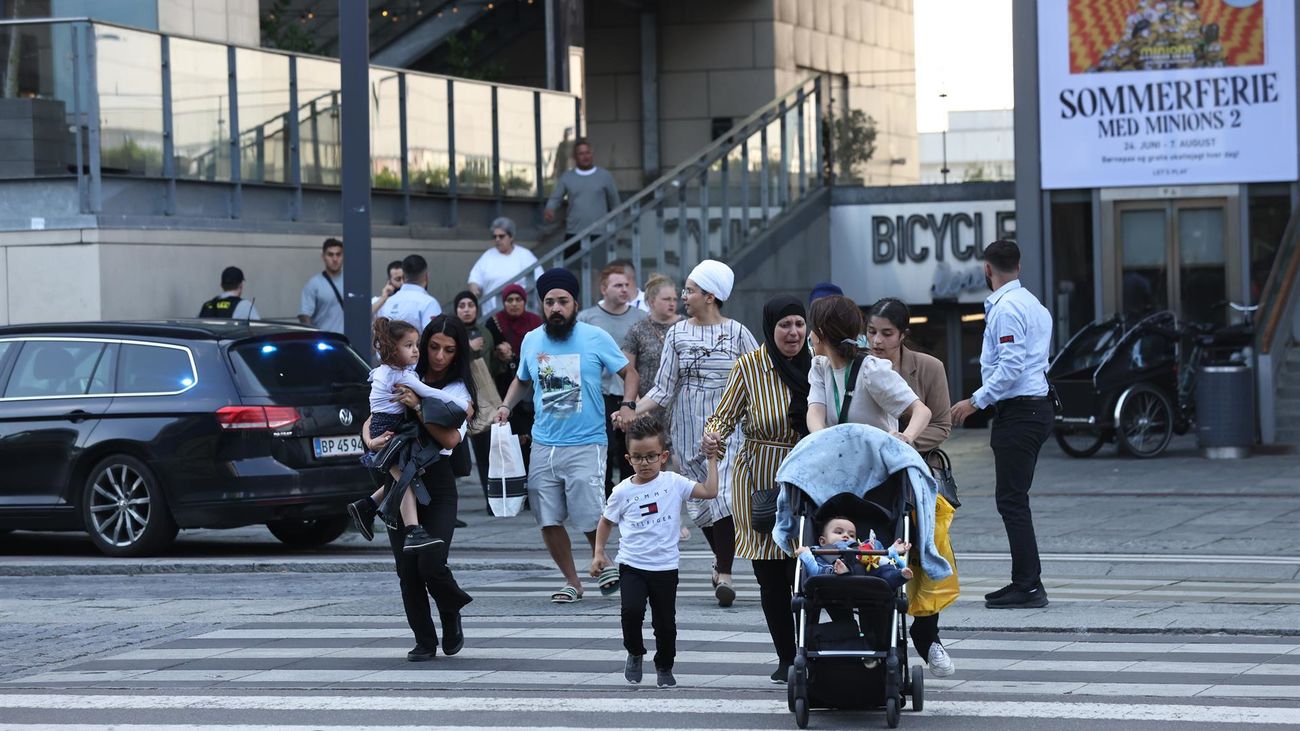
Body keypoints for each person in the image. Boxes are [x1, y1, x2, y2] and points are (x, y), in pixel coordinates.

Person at [493, 268, 638, 604]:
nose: (556, 308)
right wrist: (505, 406)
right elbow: (522, 380)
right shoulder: (532, 340)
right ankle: (573, 581)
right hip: (544, 444)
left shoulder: (594, 337)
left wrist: (629, 404)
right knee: (547, 517)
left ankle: (601, 560)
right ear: (542, 305)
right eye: (549, 302)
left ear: (575, 304)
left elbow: (628, 372)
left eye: (563, 301)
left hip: (587, 442)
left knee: (589, 513)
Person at [620, 260, 757, 608]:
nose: (684, 296)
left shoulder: (739, 333)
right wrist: (634, 409)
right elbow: (664, 388)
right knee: (699, 503)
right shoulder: (678, 335)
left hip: (730, 425)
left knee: (724, 495)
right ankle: (719, 561)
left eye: (691, 290)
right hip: (685, 425)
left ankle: (724, 572)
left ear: (711, 296)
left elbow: (756, 381)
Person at [701, 294, 811, 683]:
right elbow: (722, 416)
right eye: (785, 325)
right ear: (771, 328)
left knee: (808, 571)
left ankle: (815, 651)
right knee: (771, 575)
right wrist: (712, 438)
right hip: (763, 481)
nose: (793, 332)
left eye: (799, 324)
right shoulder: (750, 366)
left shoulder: (820, 362)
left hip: (812, 481)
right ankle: (786, 657)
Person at [359, 316, 477, 661]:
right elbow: (372, 417)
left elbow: (451, 439)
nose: (439, 356)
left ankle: (450, 608)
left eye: (449, 350)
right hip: (397, 479)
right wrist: (370, 440)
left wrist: (419, 407)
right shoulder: (402, 371)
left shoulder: (457, 390)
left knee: (431, 562)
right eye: (433, 347)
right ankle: (424, 641)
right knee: (407, 568)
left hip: (436, 480)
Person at [950, 239, 1054, 610]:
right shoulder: (1034, 306)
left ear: (987, 270)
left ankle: (1028, 585)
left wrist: (974, 402)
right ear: (1019, 266)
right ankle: (1026, 582)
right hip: (1033, 409)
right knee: (1014, 499)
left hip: (1020, 413)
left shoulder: (1007, 309)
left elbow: (1010, 367)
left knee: (1011, 500)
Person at [590, 415, 719, 689]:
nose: (645, 463)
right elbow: (606, 521)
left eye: (651, 456)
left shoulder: (674, 482)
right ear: (628, 459)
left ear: (663, 456)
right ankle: (635, 652)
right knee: (631, 612)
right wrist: (599, 552)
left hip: (665, 568)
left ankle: (665, 666)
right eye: (638, 457)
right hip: (632, 565)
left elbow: (709, 491)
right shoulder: (622, 491)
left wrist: (712, 459)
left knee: (665, 624)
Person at [866, 296, 958, 677]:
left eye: (887, 333)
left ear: (904, 335)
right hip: (871, 477)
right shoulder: (861, 367)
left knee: (929, 552)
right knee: (874, 555)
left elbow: (941, 424)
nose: (877, 341)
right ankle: (874, 638)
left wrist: (902, 442)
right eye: (871, 331)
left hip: (918, 472)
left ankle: (928, 636)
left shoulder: (929, 368)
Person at [347, 317, 468, 552]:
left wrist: (371, 439)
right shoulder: (402, 376)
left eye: (416, 345)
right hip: (390, 433)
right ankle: (412, 529)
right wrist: (462, 405)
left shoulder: (386, 372)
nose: (416, 351)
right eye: (410, 346)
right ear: (394, 349)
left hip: (387, 431)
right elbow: (429, 392)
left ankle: (367, 506)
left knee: (407, 474)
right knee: (406, 479)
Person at [804, 295, 932, 444]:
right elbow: (815, 413)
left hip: (877, 462)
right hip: (841, 461)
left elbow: (921, 411)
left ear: (819, 333)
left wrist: (906, 437)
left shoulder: (871, 370)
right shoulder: (820, 367)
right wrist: (824, 441)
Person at [579, 263, 648, 494]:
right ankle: (605, 494)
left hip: (631, 391)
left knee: (630, 446)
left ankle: (630, 492)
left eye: (627, 285)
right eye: (617, 285)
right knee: (605, 445)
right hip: (600, 391)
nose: (624, 289)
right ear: (603, 288)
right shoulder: (587, 317)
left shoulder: (640, 317)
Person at [483, 283, 543, 462]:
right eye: (510, 300)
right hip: (504, 384)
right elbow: (487, 354)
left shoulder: (535, 322)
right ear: (504, 302)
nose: (514, 304)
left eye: (518, 299)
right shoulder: (494, 322)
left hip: (532, 383)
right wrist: (498, 354)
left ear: (524, 301)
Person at [544, 138, 620, 257]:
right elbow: (555, 198)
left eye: (587, 153)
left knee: (599, 270)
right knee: (573, 270)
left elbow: (615, 203)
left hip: (599, 232)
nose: (585, 157)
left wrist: (616, 227)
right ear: (575, 157)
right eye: (581, 154)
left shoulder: (605, 176)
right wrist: (550, 209)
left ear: (592, 154)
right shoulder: (567, 177)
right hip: (574, 232)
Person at [454, 290, 496, 496]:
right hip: (456, 396)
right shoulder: (451, 332)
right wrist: (468, 348)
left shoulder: (485, 332)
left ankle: (491, 499)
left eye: (470, 305)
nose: (466, 309)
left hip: (482, 398)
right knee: (454, 453)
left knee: (485, 452)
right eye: (462, 306)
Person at [794, 517, 913, 588]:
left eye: (851, 535)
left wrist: (892, 550)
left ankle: (900, 575)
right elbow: (814, 571)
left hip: (867, 571)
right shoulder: (819, 550)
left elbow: (880, 557)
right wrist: (806, 554)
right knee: (821, 570)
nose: (846, 535)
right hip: (833, 573)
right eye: (839, 532)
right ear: (822, 541)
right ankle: (844, 569)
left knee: (885, 569)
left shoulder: (859, 546)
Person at [467, 217, 544, 313]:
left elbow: (540, 280)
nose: (497, 239)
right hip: (492, 315)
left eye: (501, 236)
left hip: (521, 314)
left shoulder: (525, 255)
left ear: (511, 237)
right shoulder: (487, 256)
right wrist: (474, 290)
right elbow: (474, 279)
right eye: (494, 237)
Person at [378, 254, 442, 330]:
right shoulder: (429, 303)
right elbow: (435, 337)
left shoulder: (386, 303)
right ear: (426, 276)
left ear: (403, 277)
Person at [298, 238, 345, 333]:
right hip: (326, 340)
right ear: (323, 256)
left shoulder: (352, 281)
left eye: (338, 254)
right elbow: (304, 315)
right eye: (330, 255)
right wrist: (315, 337)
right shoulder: (314, 284)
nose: (335, 259)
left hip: (348, 342)